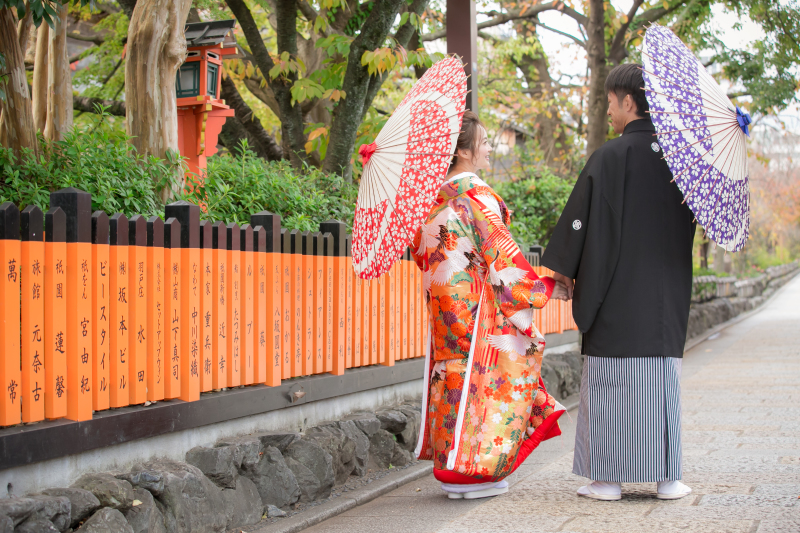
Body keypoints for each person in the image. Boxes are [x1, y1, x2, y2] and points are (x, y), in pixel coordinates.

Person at [541, 63, 695, 501]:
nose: (609, 110)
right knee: (661, 383)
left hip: (616, 296)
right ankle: (668, 478)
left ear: (629, 102)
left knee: (612, 384)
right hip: (664, 300)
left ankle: (607, 479)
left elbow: (580, 225)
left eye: (610, 102)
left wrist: (566, 272)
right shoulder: (681, 163)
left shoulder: (608, 158)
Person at [412, 110, 570, 500]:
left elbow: (421, 255)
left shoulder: (432, 201)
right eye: (482, 142)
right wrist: (546, 287)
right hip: (480, 308)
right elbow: (502, 259)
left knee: (454, 378)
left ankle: (452, 469)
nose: (487, 149)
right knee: (487, 378)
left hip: (446, 310)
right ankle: (477, 472)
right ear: (463, 151)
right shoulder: (476, 195)